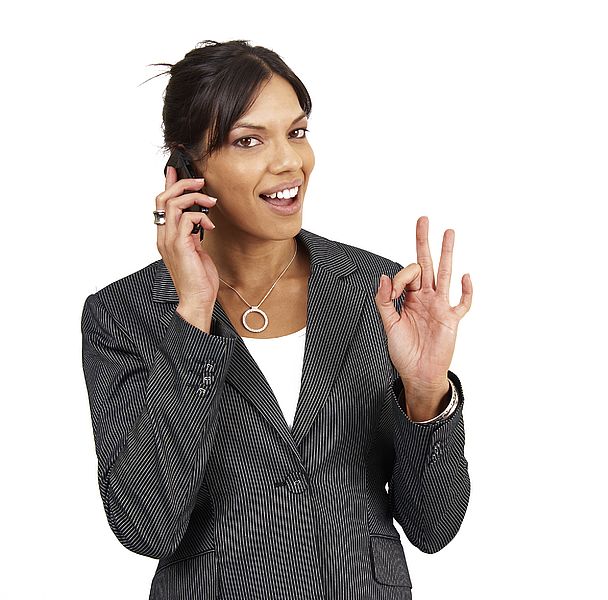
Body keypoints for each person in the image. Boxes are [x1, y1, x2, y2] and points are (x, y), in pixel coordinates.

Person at [80, 40, 472, 600]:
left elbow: (433, 529)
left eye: (298, 132)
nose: (289, 161)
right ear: (187, 172)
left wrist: (427, 391)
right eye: (248, 140)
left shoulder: (379, 294)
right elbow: (148, 526)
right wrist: (191, 315)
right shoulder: (123, 314)